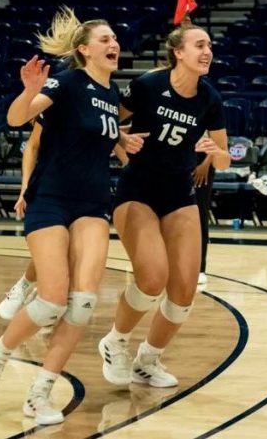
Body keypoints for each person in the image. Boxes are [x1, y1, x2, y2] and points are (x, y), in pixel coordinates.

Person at [0, 7, 143, 424]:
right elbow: (17, 119)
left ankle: (40, 393)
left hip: (92, 203)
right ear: (84, 50)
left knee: (82, 305)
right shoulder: (66, 82)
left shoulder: (110, 95)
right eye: (104, 39)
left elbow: (95, 130)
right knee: (51, 301)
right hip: (51, 199)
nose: (113, 44)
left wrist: (122, 138)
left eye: (115, 39)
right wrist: (28, 91)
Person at [96, 22, 229, 390]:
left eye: (210, 46)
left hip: (178, 194)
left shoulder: (210, 99)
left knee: (184, 291)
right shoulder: (148, 85)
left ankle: (148, 360)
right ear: (178, 52)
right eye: (199, 45)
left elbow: (226, 160)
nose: (207, 52)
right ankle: (115, 341)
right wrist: (121, 143)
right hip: (137, 189)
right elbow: (104, 123)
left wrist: (215, 153)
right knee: (152, 278)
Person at [0, 121, 43, 320]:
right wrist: (25, 188)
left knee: (76, 252)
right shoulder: (55, 97)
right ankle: (25, 286)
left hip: (91, 186)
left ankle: (43, 294)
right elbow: (31, 145)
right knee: (51, 248)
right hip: (52, 185)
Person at [194, 145, 215, 285]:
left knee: (200, 214)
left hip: (203, 159)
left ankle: (200, 268)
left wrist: (205, 164)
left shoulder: (213, 122)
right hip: (180, 156)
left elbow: (218, 144)